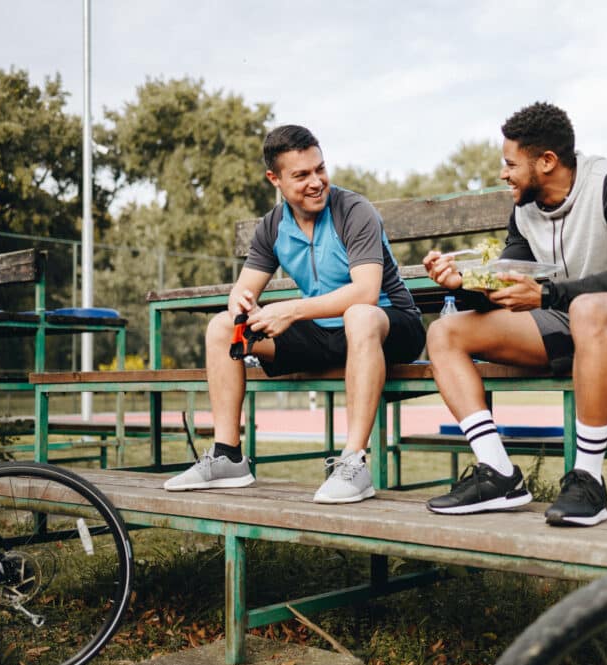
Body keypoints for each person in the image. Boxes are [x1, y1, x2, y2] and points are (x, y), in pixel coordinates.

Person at [422, 102, 607, 526]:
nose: (503, 173)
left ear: (546, 161)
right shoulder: (523, 209)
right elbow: (505, 288)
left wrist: (549, 296)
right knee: (445, 334)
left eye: (510, 164)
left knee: (587, 309)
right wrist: (463, 286)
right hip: (571, 321)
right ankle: (499, 474)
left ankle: (588, 481)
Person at [165, 124, 426, 502]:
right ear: (275, 178)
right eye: (301, 175)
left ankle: (354, 463)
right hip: (322, 333)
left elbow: (366, 292)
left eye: (320, 169)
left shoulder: (354, 211)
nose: (316, 182)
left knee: (359, 315)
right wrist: (240, 302)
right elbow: (244, 288)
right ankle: (227, 457)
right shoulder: (272, 227)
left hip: (389, 325)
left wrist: (290, 310)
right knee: (222, 328)